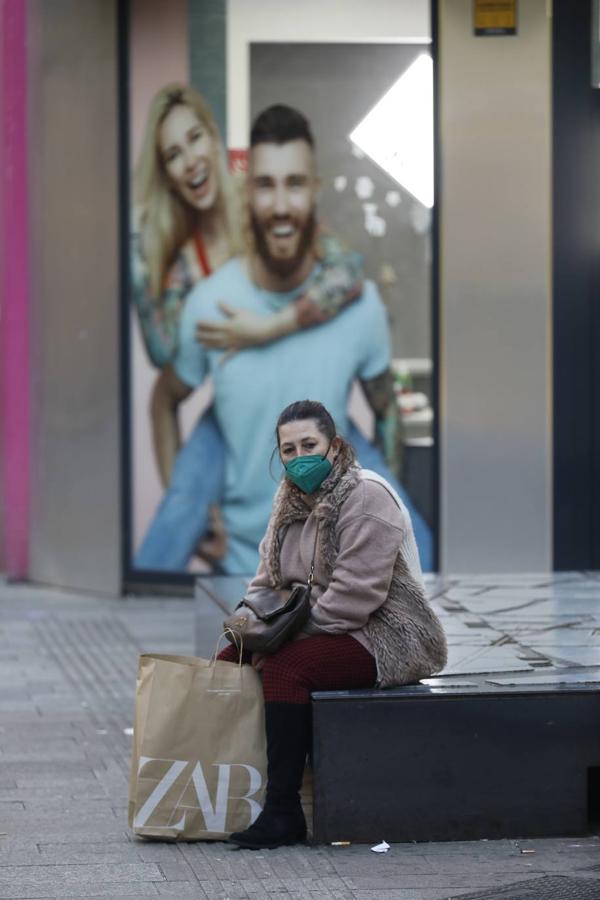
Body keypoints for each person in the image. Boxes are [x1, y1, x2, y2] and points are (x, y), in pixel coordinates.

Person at [136, 103, 433, 574]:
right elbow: (164, 394)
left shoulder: (355, 302)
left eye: (294, 184)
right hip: (239, 584)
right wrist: (196, 515)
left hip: (331, 585)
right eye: (266, 185)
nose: (279, 204)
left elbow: (384, 411)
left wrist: (372, 519)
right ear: (246, 190)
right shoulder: (204, 301)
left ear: (315, 190)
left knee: (414, 538)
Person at [217, 399, 447, 849]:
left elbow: (353, 600)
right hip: (321, 625)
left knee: (288, 668)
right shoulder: (288, 499)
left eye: (309, 445)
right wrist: (248, 629)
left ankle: (284, 811)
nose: (299, 457)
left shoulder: (366, 497)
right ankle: (225, 792)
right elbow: (267, 578)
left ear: (334, 445)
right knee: (231, 657)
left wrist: (278, 643)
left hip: (386, 634)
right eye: (288, 449)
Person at [132, 85, 366, 519]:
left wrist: (265, 329)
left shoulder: (264, 199)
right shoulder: (184, 262)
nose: (191, 160)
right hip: (237, 406)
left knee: (381, 497)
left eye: (196, 138)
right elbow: (162, 353)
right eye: (172, 155)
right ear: (166, 173)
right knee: (180, 514)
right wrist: (136, 248)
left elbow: (348, 270)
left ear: (214, 136)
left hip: (305, 391)